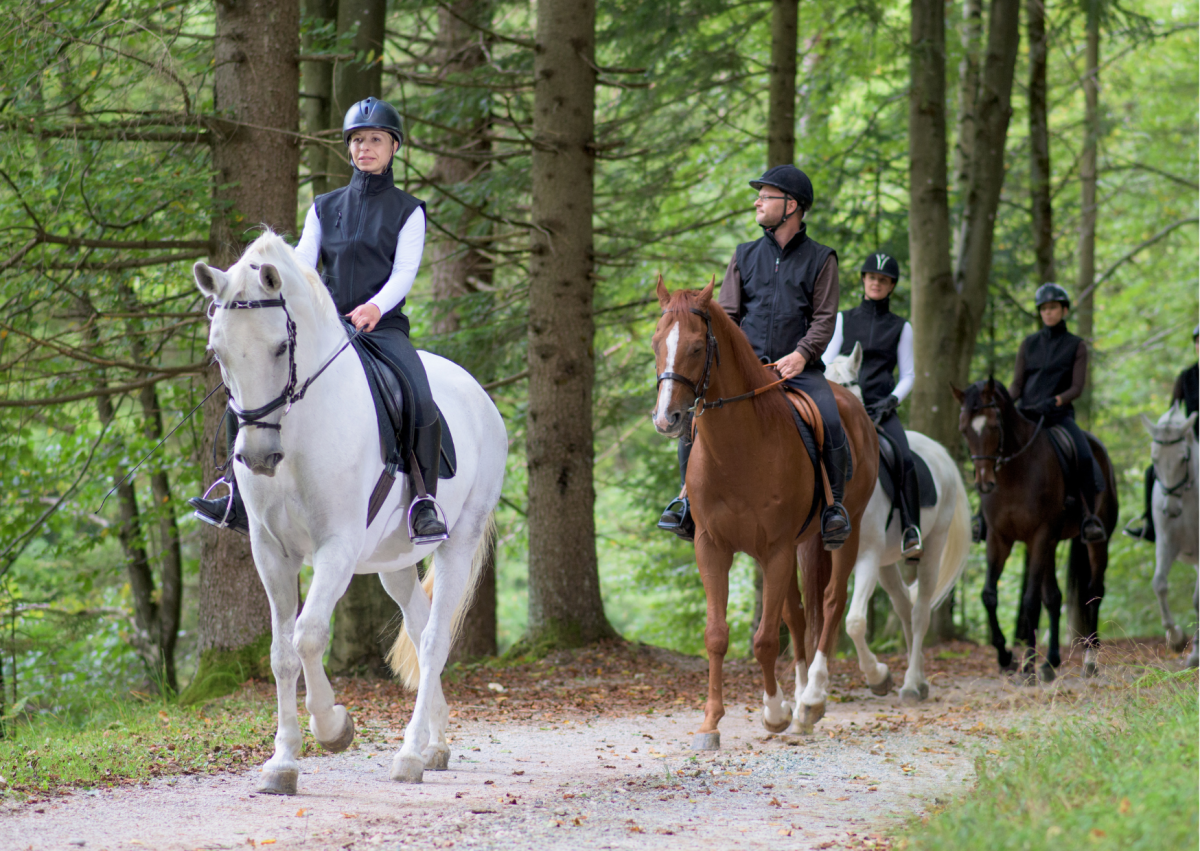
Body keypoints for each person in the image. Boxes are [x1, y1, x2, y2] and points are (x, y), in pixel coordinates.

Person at [190, 97, 449, 544]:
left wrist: (375, 307)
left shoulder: (409, 211)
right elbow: (303, 266)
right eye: (357, 140)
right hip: (328, 329)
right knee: (250, 385)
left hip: (381, 328)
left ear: (393, 147)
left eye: (374, 140)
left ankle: (423, 500)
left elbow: (405, 272)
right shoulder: (324, 207)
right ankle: (234, 492)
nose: (364, 147)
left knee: (418, 395)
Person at [658, 165, 852, 550]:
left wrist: (801, 355)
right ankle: (685, 501)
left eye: (765, 196)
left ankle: (833, 508)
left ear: (791, 205)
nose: (757, 202)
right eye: (758, 196)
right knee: (696, 420)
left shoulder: (821, 259)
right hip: (747, 373)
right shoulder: (744, 255)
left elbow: (824, 318)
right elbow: (727, 317)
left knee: (830, 417)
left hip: (797, 370)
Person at [822, 251, 922, 560]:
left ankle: (910, 529)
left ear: (891, 286)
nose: (876, 283)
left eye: (883, 280)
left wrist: (892, 400)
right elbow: (826, 360)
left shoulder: (901, 327)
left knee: (904, 458)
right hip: (842, 404)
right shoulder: (843, 319)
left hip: (881, 409)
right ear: (864, 280)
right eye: (872, 278)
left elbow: (908, 374)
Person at [1009, 283, 1106, 543]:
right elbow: (1017, 385)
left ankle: (1089, 518)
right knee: (996, 449)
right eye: (1043, 309)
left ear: (1064, 310)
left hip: (1058, 417)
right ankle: (982, 518)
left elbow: (1077, 387)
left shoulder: (1076, 345)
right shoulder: (1028, 345)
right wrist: (1005, 404)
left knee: (1084, 455)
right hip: (1027, 414)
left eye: (1053, 308)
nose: (1048, 313)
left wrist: (1056, 401)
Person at [1125, 324, 1199, 542]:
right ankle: (1150, 524)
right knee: (1151, 472)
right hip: (1192, 442)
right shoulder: (1186, 377)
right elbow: (1172, 412)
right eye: (1198, 342)